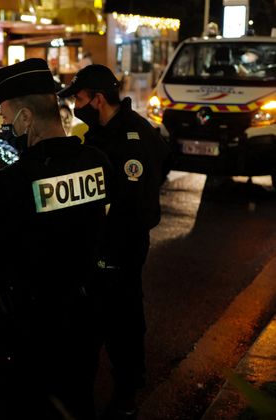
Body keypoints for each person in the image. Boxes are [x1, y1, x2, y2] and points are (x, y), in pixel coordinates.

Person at [0, 58, 113, 419]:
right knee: (78, 400)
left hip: (32, 328)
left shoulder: (12, 184)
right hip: (85, 315)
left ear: (26, 118)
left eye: (5, 118)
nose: (4, 127)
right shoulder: (96, 161)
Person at [59, 64, 171, 419]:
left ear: (98, 99)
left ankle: (127, 394)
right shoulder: (97, 135)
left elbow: (136, 209)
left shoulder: (134, 138)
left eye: (79, 99)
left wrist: (109, 245)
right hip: (97, 252)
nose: (76, 106)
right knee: (90, 328)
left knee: (123, 323)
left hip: (122, 252)